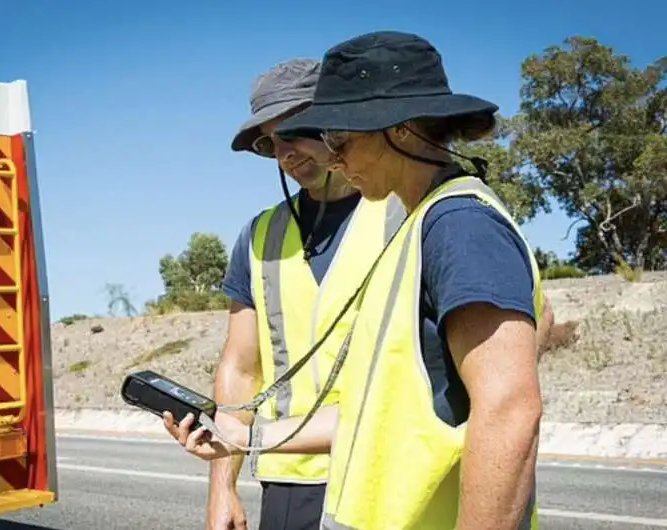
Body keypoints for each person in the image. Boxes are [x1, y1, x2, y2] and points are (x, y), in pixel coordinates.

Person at [167, 32, 553, 530]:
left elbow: (509, 411)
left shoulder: (459, 226)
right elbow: (374, 411)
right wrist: (243, 439)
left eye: (339, 137)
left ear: (402, 130)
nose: (333, 158)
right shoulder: (414, 230)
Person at [211, 58, 405, 530]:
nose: (284, 155)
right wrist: (223, 489)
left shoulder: (409, 211)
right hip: (289, 477)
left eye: (293, 133)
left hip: (390, 472)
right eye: (269, 144)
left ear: (338, 121)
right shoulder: (260, 236)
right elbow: (240, 368)